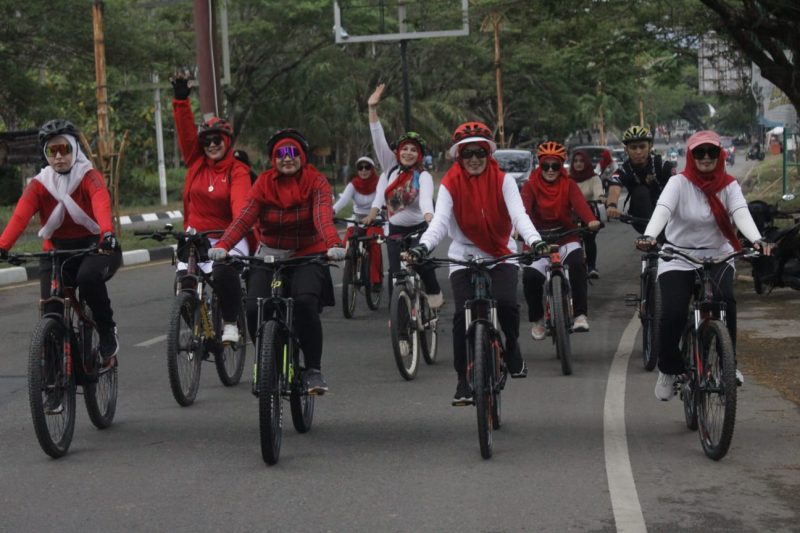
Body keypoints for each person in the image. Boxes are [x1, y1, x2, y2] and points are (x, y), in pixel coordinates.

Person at [408, 122, 544, 405]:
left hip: (501, 253)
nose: (473, 159)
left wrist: (535, 241)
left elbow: (519, 216)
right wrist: (423, 246)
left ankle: (513, 347)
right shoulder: (449, 183)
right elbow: (440, 222)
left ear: (488, 153)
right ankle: (462, 380)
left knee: (506, 303)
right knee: (461, 316)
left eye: (479, 152)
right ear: (459, 156)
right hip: (463, 254)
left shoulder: (504, 180)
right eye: (466, 153)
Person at [636, 130, 771, 401]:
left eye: (711, 152)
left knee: (725, 301)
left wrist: (756, 239)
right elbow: (662, 209)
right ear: (691, 156)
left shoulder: (729, 185)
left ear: (720, 155)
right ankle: (669, 369)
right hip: (679, 255)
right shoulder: (678, 183)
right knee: (672, 314)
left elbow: (740, 212)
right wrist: (650, 235)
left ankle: (726, 365)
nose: (706, 157)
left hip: (719, 254)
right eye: (700, 152)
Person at [207, 129, 345, 394]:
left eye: (293, 153)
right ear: (273, 158)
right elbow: (245, 217)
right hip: (269, 254)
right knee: (252, 307)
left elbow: (322, 217)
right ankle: (266, 360)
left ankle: (313, 370)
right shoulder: (264, 183)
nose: (287, 159)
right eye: (281, 154)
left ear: (302, 156)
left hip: (308, 253)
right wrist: (224, 245)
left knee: (305, 303)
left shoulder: (316, 181)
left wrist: (333, 244)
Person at [0, 119, 122, 368]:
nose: (58, 157)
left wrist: (107, 233)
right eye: (52, 151)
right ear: (46, 154)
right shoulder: (39, 184)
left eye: (64, 149)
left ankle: (107, 332)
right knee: (51, 311)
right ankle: (54, 379)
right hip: (57, 252)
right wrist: (2, 246)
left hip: (96, 247)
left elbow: (101, 203)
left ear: (75, 149)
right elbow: (20, 217)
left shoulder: (89, 176)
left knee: (88, 279)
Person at [171, 74, 253, 344]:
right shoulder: (196, 163)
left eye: (217, 139)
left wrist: (229, 240)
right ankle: (200, 325)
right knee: (184, 282)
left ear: (227, 141)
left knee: (223, 271)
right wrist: (181, 100)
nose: (212, 144)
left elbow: (241, 208)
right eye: (207, 141)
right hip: (197, 236)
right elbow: (184, 132)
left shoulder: (238, 171)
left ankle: (230, 322)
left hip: (231, 234)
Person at [361, 83, 442, 306]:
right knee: (395, 274)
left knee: (421, 263)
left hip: (419, 229)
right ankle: (398, 314)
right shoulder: (391, 168)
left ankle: (433, 293)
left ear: (419, 155)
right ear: (398, 152)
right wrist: (372, 109)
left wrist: (430, 219)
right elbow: (378, 138)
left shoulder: (422, 176)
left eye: (413, 150)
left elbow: (426, 201)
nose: (408, 153)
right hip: (395, 230)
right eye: (404, 148)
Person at [521, 142, 601, 340]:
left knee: (577, 265)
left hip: (566, 237)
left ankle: (580, 315)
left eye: (555, 166)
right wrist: (518, 230)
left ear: (561, 166)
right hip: (537, 240)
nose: (550, 170)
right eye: (546, 166)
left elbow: (580, 205)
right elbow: (523, 211)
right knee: (530, 278)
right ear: (540, 166)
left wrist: (591, 220)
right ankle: (538, 320)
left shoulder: (569, 184)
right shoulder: (530, 185)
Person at [605, 125, 676, 233]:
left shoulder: (663, 166)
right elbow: (615, 187)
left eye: (642, 147)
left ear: (650, 147)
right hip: (642, 220)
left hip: (667, 216)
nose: (638, 152)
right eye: (633, 148)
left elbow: (679, 189)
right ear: (626, 150)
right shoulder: (623, 170)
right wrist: (612, 206)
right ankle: (650, 234)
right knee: (640, 191)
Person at [332, 156, 384, 291]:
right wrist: (331, 212)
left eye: (367, 167)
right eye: (360, 167)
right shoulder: (353, 184)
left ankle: (376, 280)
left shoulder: (379, 183)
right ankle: (350, 270)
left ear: (372, 169)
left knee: (374, 243)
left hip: (375, 220)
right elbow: (342, 201)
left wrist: (378, 215)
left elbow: (381, 200)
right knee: (349, 238)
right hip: (357, 220)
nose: (364, 170)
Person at [569, 149, 604, 278]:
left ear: (587, 163)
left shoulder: (594, 178)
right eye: (575, 161)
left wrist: (600, 197)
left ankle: (591, 267)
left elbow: (598, 192)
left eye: (582, 161)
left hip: (589, 213)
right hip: (570, 213)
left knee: (589, 239)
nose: (578, 164)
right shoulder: (567, 178)